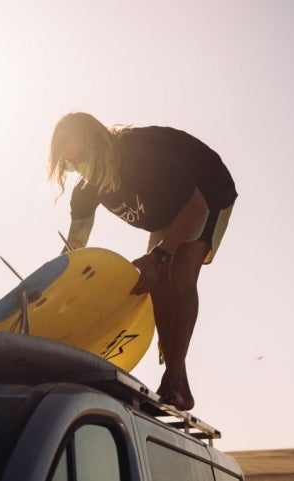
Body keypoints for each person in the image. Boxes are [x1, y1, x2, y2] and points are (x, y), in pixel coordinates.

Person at [47, 112, 237, 411]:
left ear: (98, 140)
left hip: (206, 190)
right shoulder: (86, 191)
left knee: (179, 271)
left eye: (82, 155)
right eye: (72, 164)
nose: (82, 168)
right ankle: (180, 386)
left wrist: (160, 255)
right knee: (155, 281)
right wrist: (49, 290)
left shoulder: (136, 154)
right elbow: (74, 247)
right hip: (169, 209)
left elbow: (196, 209)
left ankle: (172, 378)